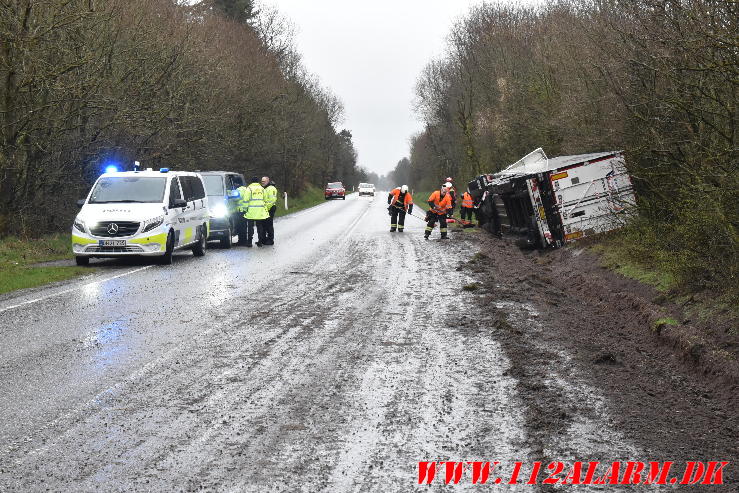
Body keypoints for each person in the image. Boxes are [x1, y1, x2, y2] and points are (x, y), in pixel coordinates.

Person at [237, 176, 269, 247]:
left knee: (250, 227)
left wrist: (245, 209)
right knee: (259, 227)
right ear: (258, 181)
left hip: (251, 212)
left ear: (251, 181)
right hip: (260, 211)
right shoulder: (262, 189)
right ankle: (260, 242)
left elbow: (245, 200)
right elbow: (266, 199)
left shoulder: (249, 189)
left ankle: (249, 242)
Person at [261, 176, 277, 245]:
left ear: (268, 181)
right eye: (262, 181)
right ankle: (264, 239)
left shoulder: (271, 188)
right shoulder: (265, 188)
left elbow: (272, 200)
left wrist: (266, 208)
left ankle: (271, 240)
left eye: (264, 181)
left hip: (270, 208)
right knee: (264, 224)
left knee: (269, 224)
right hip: (265, 209)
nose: (262, 182)